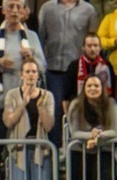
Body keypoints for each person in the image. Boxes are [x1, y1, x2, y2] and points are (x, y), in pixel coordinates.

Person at [3, 58, 55, 180]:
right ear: (21, 74)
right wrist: (23, 103)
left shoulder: (47, 96)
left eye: (34, 72)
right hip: (19, 152)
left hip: (39, 150)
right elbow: (8, 122)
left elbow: (49, 125)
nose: (31, 75)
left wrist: (40, 105)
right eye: (28, 71)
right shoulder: (12, 95)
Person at [0, 0, 47, 140]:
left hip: (26, 98)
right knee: (0, 141)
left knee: (23, 142)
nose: (15, 11)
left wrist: (31, 57)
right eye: (10, 7)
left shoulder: (32, 37)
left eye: (18, 7)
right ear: (3, 11)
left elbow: (42, 67)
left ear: (23, 11)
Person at [37, 0, 99, 150]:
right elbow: (40, 37)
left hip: (78, 69)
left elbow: (92, 38)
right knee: (56, 110)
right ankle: (57, 149)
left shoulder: (88, 9)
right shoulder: (47, 8)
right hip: (53, 68)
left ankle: (78, 147)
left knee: (80, 109)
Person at [61, 33, 115, 115]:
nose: (93, 49)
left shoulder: (107, 66)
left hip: (102, 110)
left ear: (100, 48)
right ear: (83, 47)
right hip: (79, 110)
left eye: (96, 45)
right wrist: (68, 117)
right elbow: (66, 97)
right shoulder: (74, 66)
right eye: (89, 46)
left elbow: (112, 94)